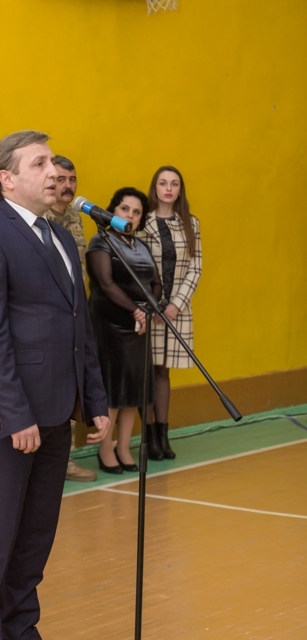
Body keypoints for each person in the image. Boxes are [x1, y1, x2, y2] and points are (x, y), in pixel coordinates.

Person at [0, 130, 109, 640]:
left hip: (57, 408)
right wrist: (15, 415)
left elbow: (78, 326)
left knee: (37, 533)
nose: (53, 172)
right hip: (9, 416)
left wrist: (94, 401)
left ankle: (21, 632)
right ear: (8, 178)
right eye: (39, 163)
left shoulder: (61, 236)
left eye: (53, 162)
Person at [87, 188, 162, 473]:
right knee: (114, 388)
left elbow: (156, 283)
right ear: (112, 212)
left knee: (134, 389)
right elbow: (106, 284)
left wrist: (148, 310)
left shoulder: (142, 246)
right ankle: (105, 449)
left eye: (136, 212)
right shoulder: (100, 241)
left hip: (138, 326)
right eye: (124, 209)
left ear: (142, 219)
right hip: (110, 324)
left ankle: (124, 447)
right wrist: (135, 310)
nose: (130, 215)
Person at [139, 166, 202, 459]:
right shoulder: (143, 222)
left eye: (174, 184)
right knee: (147, 371)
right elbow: (138, 267)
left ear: (180, 190)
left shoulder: (191, 223)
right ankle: (149, 435)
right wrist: (151, 303)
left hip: (176, 310)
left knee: (163, 370)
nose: (168, 188)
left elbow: (196, 267)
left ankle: (163, 435)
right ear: (155, 187)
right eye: (163, 183)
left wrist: (176, 303)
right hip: (149, 309)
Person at [46, 154, 96, 483]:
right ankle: (53, 461)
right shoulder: (41, 217)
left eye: (72, 179)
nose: (67, 185)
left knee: (72, 388)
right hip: (50, 318)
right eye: (61, 179)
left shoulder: (76, 216)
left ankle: (65, 459)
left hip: (76, 315)